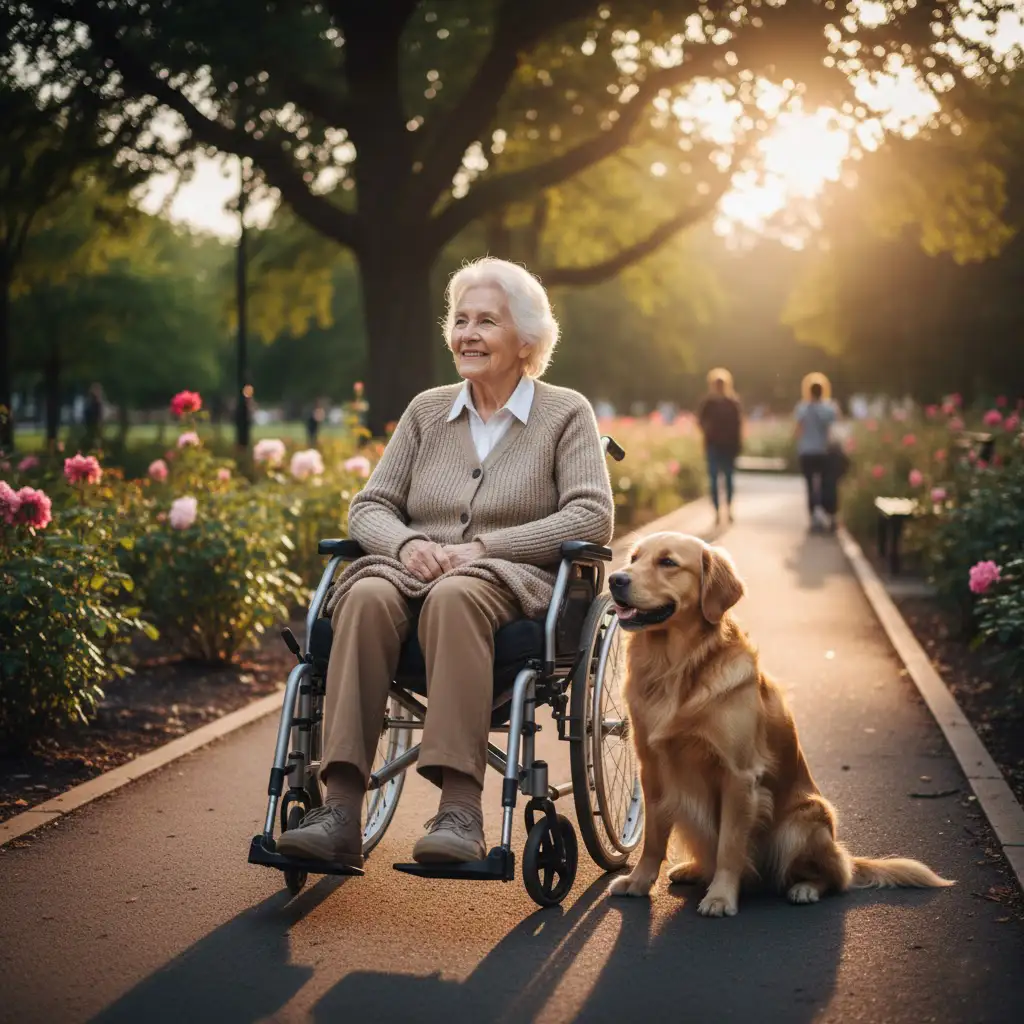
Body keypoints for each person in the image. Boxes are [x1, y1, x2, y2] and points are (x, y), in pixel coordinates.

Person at [275, 257, 615, 868]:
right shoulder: (427, 411)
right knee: (365, 596)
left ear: (526, 339)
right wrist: (406, 546)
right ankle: (340, 811)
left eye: (487, 321)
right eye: (461, 320)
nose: (468, 334)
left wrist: (484, 548)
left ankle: (460, 812)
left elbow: (590, 514)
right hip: (410, 572)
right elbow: (370, 505)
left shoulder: (565, 413)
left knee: (456, 596)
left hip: (507, 580)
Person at [795, 372, 840, 532]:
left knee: (810, 485)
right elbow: (834, 431)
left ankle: (814, 516)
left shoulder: (802, 408)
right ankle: (830, 515)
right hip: (825, 452)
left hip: (807, 452)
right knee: (826, 484)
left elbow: (798, 431)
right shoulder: (829, 408)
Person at [697, 368, 743, 524]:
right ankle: (717, 511)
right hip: (713, 446)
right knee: (714, 480)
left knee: (728, 479)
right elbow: (700, 422)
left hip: (728, 447)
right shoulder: (708, 404)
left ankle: (728, 508)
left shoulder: (732, 403)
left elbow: (738, 425)